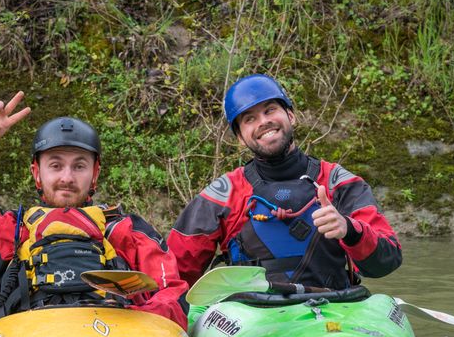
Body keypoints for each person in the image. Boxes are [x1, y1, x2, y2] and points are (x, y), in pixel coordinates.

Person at [0, 91, 188, 329]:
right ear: (37, 173)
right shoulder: (9, 230)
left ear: (95, 174)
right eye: (56, 165)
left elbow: (171, 294)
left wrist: (136, 320)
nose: (67, 178)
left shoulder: (127, 231)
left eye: (79, 166)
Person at [167, 74, 401, 291]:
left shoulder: (338, 182)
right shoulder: (223, 194)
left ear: (291, 116)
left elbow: (387, 261)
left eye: (270, 110)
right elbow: (174, 275)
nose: (263, 122)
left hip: (333, 306)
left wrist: (349, 230)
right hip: (253, 314)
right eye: (250, 119)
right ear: (240, 138)